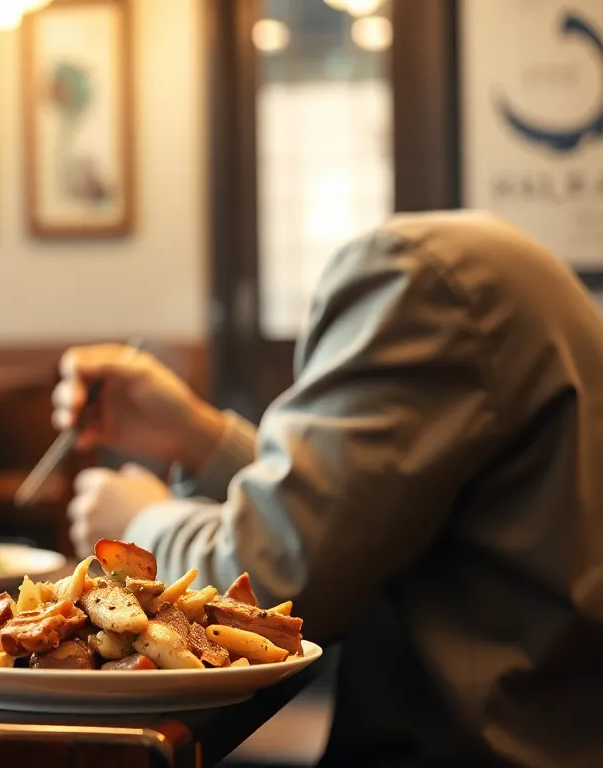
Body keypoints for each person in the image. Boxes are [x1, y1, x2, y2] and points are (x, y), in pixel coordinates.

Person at [55, 210, 603, 767]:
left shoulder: (414, 278)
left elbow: (273, 583)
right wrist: (202, 438)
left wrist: (139, 525)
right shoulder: (485, 262)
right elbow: (358, 504)